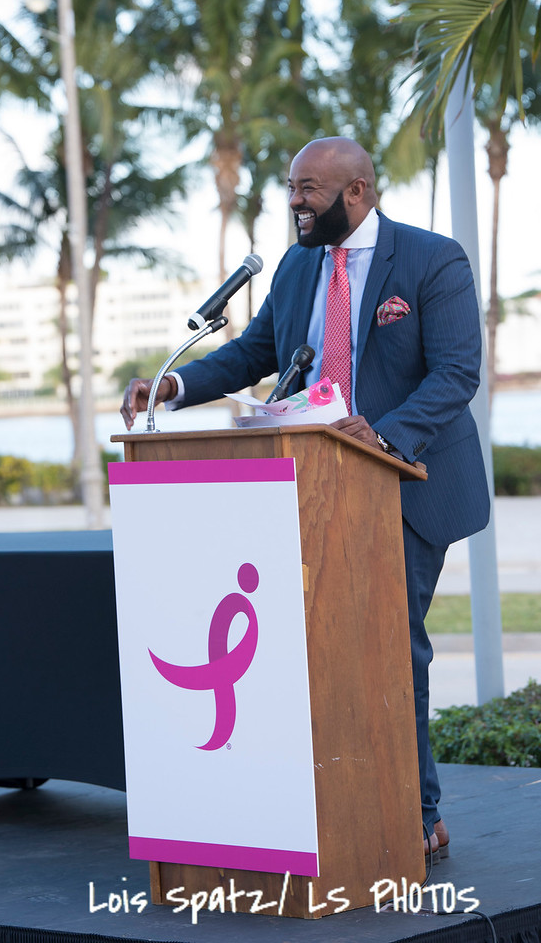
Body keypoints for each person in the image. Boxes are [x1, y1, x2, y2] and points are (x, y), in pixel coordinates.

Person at [121, 137, 490, 859]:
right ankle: (326, 806)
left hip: (402, 483)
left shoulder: (430, 259)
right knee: (314, 652)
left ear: (356, 192)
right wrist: (174, 386)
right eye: (291, 187)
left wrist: (379, 435)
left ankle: (415, 815)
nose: (294, 202)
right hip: (308, 490)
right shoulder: (296, 266)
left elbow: (455, 373)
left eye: (308, 190)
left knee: (387, 647)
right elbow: (255, 352)